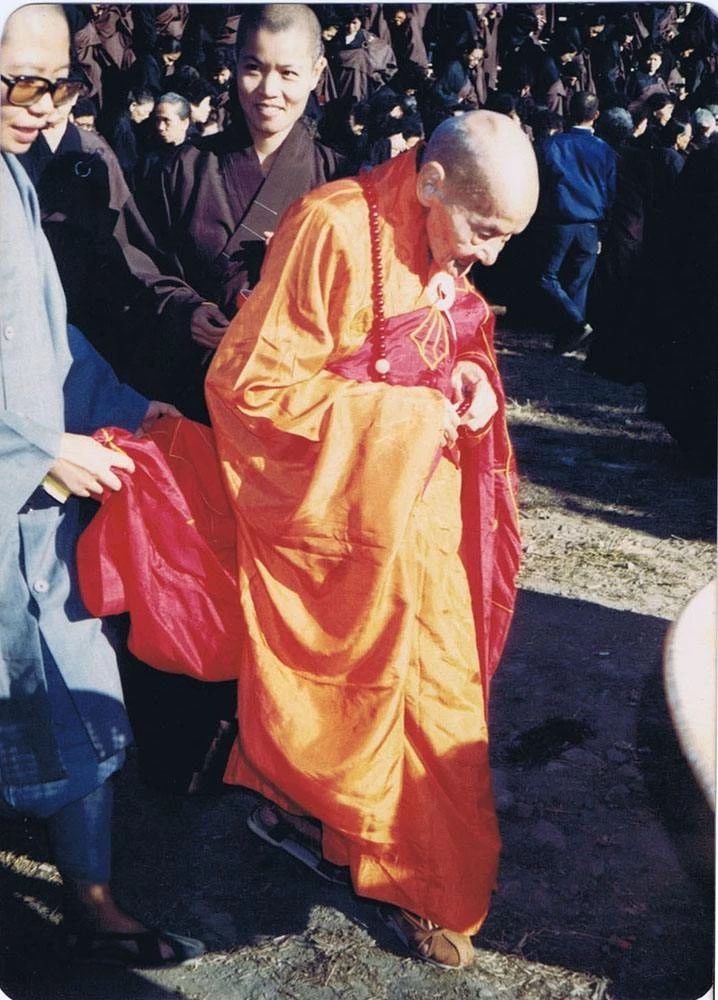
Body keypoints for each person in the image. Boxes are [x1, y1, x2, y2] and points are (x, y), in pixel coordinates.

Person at [206, 110, 538, 969]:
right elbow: (248, 388)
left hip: (422, 514)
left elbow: (452, 332)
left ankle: (421, 881)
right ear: (431, 183)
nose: (492, 255)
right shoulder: (331, 227)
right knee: (344, 704)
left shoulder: (443, 233)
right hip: (341, 517)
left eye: (508, 236)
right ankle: (321, 824)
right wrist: (408, 418)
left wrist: (470, 378)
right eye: (484, 230)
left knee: (438, 702)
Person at [0, 4, 203, 965]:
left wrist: (124, 402)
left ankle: (91, 899)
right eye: (20, 81)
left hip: (31, 522)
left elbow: (49, 338)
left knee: (76, 684)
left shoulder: (16, 179)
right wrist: (35, 449)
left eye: (58, 84)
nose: (42, 106)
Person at [151, 3, 345, 422]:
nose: (268, 90)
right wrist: (184, 308)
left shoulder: (339, 182)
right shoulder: (183, 169)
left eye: (288, 73)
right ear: (235, 64)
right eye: (253, 68)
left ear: (316, 72)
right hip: (191, 394)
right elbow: (140, 264)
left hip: (296, 405)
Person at [533, 91, 617, 353]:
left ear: (569, 111)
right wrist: (603, 230)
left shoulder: (552, 145)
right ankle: (568, 336)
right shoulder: (605, 150)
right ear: (596, 115)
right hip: (591, 224)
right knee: (578, 283)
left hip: (559, 220)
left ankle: (575, 325)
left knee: (546, 277)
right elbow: (610, 193)